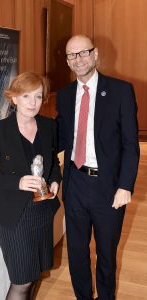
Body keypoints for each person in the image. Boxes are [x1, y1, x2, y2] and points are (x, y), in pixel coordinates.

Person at [56, 35, 139, 300]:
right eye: (71, 55)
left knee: (106, 253)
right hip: (75, 184)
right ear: (68, 61)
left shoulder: (121, 91)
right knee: (77, 254)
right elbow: (59, 137)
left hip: (108, 188)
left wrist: (125, 185)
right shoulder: (66, 94)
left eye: (83, 53)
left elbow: (130, 144)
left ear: (95, 54)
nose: (78, 59)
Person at [0, 71, 62, 300]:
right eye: (26, 96)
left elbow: (53, 163)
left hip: (42, 211)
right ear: (13, 98)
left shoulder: (48, 126)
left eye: (37, 96)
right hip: (14, 215)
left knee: (34, 274)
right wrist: (18, 182)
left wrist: (54, 181)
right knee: (21, 281)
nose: (32, 103)